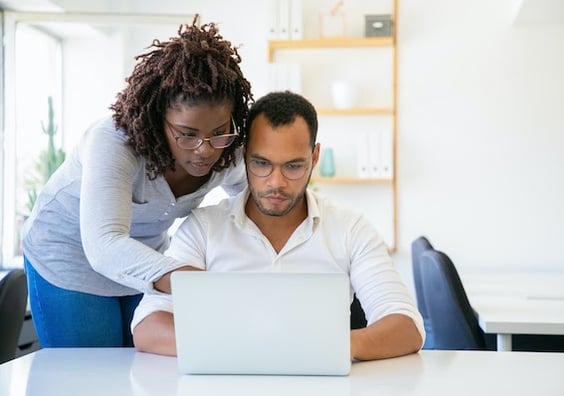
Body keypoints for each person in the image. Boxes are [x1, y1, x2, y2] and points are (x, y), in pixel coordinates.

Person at [131, 91, 425, 360]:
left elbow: (406, 326)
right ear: (243, 155)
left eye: (293, 166)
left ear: (314, 157)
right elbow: (147, 326)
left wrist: (325, 348)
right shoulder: (204, 228)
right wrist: (241, 348)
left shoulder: (350, 228)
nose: (276, 183)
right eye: (261, 164)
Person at [21, 15, 253, 348]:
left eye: (218, 133)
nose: (204, 151)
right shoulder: (113, 142)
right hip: (70, 256)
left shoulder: (225, 150)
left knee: (147, 368)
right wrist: (196, 282)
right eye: (187, 135)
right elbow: (104, 244)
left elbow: (250, 205)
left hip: (143, 260)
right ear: (160, 119)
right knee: (92, 374)